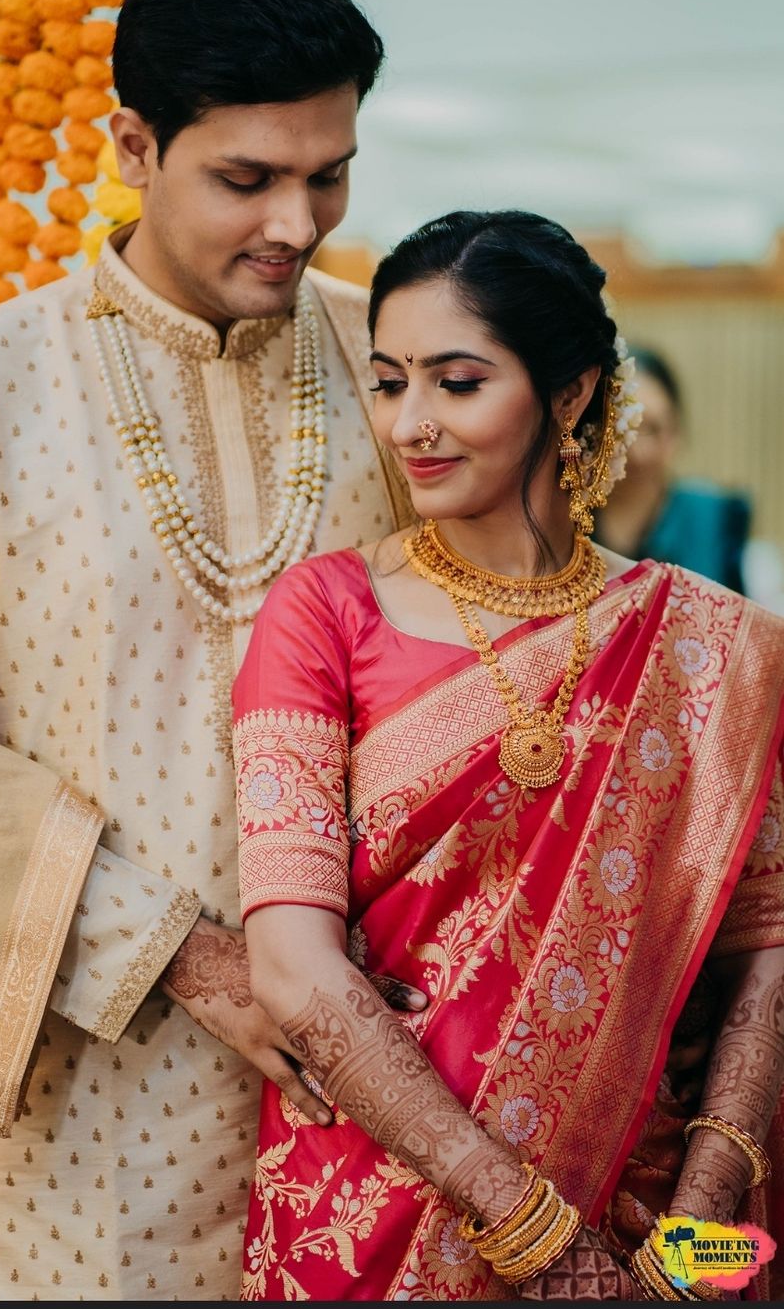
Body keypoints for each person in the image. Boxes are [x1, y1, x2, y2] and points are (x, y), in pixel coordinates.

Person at [0, 0, 417, 1302]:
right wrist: (197, 960)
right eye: (247, 177)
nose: (296, 223)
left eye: (329, 176)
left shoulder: (394, 360)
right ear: (134, 147)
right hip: (78, 1092)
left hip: (367, 1066)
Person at [232, 209, 784, 1302]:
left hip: (655, 1203)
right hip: (373, 1206)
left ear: (570, 392)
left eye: (457, 381)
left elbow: (766, 951)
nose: (412, 423)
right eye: (389, 383)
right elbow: (294, 968)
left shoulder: (715, 642)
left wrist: (694, 1233)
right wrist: (540, 1240)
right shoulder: (325, 611)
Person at [595, 345, 752, 595]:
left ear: (676, 431)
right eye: (624, 431)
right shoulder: (568, 516)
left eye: (653, 429)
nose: (639, 451)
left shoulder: (714, 517)